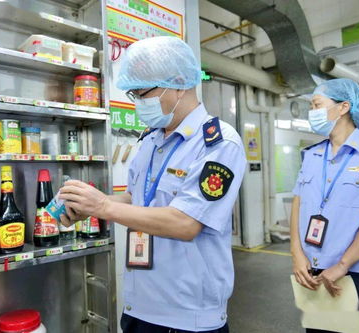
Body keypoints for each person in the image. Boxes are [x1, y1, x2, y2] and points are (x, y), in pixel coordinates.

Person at [59, 36, 246, 332]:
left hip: (187, 316)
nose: (139, 103)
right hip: (139, 305)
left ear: (180, 83)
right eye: (134, 94)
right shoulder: (151, 139)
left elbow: (186, 223)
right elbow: (137, 199)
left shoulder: (218, 144)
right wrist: (90, 206)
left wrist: (104, 206)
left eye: (143, 93)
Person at [290, 78, 359, 333]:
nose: (312, 112)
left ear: (343, 107)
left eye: (317, 104)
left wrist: (342, 265)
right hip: (314, 272)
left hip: (358, 275)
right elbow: (298, 203)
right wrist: (297, 255)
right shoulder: (311, 156)